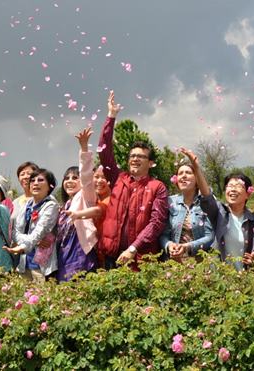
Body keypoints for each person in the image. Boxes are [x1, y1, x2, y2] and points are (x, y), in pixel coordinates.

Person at [96, 91, 169, 269]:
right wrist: (111, 117)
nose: (135, 159)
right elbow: (103, 151)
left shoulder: (157, 187)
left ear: (151, 163)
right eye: (132, 156)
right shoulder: (118, 178)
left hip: (140, 259)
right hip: (111, 258)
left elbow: (156, 223)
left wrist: (133, 248)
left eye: (141, 157)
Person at [54, 127, 100, 281]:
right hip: (64, 257)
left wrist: (84, 148)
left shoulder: (85, 196)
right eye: (67, 178)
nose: (70, 181)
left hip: (81, 255)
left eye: (75, 178)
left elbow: (87, 176)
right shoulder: (64, 205)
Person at [160, 149, 214, 262]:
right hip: (173, 264)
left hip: (199, 265)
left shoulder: (205, 204)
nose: (183, 176)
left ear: (197, 179)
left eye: (188, 173)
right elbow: (163, 234)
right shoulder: (170, 202)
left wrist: (187, 247)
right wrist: (169, 245)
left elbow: (210, 237)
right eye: (180, 174)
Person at [201, 170, 254, 271]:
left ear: (248, 194)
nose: (233, 189)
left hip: (246, 278)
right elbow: (207, 197)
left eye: (238, 186)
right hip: (220, 277)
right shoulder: (218, 212)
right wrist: (196, 168)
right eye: (230, 186)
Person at [7, 168, 60, 282]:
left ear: (50, 186)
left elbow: (39, 232)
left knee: (40, 297)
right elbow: (15, 232)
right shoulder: (27, 204)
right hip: (24, 263)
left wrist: (22, 246)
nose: (35, 183)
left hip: (41, 266)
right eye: (32, 180)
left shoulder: (51, 206)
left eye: (40, 180)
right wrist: (33, 241)